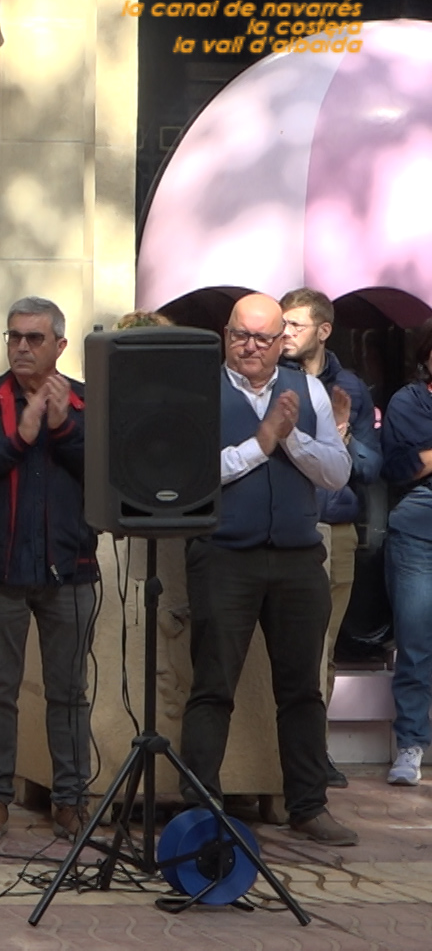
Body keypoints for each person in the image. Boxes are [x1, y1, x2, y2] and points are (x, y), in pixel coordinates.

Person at [180, 293, 355, 846]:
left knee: (303, 689)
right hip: (225, 555)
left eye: (262, 338)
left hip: (299, 558)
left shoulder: (308, 392)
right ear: (225, 335)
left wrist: (291, 437)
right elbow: (194, 475)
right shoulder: (198, 389)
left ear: (285, 341)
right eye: (239, 335)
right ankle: (201, 806)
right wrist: (261, 443)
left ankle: (308, 804)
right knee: (213, 686)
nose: (249, 347)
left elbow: (336, 472)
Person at [0, 297, 95, 843]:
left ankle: (71, 801)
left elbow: (105, 473)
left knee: (69, 693)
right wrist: (19, 437)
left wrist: (59, 429)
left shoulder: (84, 400)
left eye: (33, 338)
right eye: (14, 337)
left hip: (69, 571)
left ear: (60, 344)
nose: (22, 347)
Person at [280, 287, 381, 790]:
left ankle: (314, 753)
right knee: (296, 647)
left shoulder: (353, 389)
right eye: (282, 324)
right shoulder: (272, 381)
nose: (284, 334)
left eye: (295, 325)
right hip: (287, 530)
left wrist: (343, 438)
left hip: (337, 528)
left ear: (323, 330)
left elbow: (373, 465)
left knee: (326, 648)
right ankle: (287, 756)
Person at [379, 320, 432, 788]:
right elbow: (399, 467)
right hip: (419, 529)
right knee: (415, 645)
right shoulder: (409, 401)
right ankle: (411, 745)